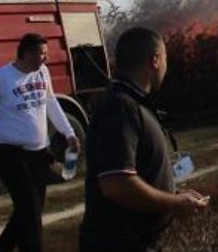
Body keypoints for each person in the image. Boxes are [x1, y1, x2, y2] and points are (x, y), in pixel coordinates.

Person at [79, 26, 208, 252]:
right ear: (156, 60)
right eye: (166, 58)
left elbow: (136, 172)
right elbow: (117, 185)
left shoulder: (132, 103)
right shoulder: (120, 107)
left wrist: (175, 195)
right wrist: (175, 203)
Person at [0, 33, 80, 252]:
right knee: (31, 217)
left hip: (38, 153)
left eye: (46, 53)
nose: (45, 59)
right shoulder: (1, 78)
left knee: (28, 212)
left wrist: (69, 132)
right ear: (26, 53)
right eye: (41, 54)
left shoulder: (42, 72)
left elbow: (50, 101)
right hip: (11, 154)